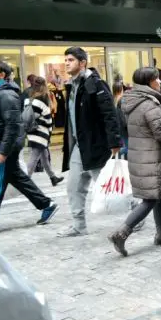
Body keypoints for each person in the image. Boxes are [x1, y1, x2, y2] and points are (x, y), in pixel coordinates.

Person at [108, 67, 161, 257]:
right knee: (150, 199)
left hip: (139, 154)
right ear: (149, 82)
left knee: (159, 193)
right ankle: (122, 233)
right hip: (152, 156)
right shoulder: (150, 104)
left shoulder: (130, 100)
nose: (160, 82)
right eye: (157, 79)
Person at [0, 60, 59, 234]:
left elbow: (12, 126)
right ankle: (46, 204)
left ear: (2, 75)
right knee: (18, 179)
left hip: (1, 149)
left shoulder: (6, 95)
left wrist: (3, 151)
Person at [59, 47, 121, 237]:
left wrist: (114, 142)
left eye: (70, 60)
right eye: (66, 60)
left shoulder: (95, 84)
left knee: (107, 188)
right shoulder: (71, 86)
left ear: (82, 62)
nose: (67, 63)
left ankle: (137, 214)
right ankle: (79, 225)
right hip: (79, 146)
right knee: (74, 187)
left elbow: (110, 115)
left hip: (96, 146)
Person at [25, 76, 64, 186]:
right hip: (41, 132)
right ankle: (25, 181)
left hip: (31, 131)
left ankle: (52, 177)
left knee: (44, 156)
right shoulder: (44, 97)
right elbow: (47, 117)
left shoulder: (28, 99)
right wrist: (50, 128)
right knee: (34, 156)